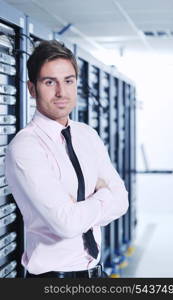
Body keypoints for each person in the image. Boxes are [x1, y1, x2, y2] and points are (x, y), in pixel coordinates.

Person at [5, 40, 129, 278]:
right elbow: (66, 224)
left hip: (95, 274)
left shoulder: (87, 135)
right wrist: (103, 195)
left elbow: (122, 201)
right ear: (32, 88)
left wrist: (81, 206)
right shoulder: (26, 147)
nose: (61, 92)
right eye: (49, 82)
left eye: (68, 81)